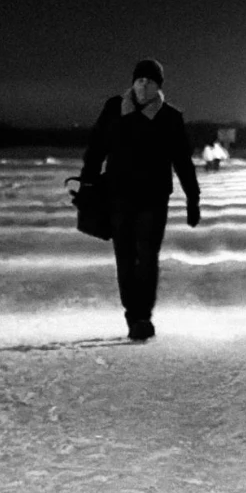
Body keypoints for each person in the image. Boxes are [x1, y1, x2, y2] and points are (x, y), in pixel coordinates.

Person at [80, 59, 201, 341]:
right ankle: (131, 314)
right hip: (118, 195)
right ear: (133, 83)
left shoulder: (170, 117)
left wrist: (192, 199)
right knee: (125, 257)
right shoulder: (114, 108)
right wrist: (87, 181)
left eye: (150, 80)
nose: (143, 84)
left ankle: (143, 316)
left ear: (159, 85)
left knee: (147, 257)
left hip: (153, 198)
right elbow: (97, 146)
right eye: (139, 79)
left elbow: (183, 161)